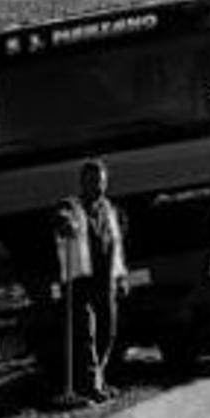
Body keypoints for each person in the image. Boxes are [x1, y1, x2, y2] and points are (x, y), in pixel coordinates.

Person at [53, 159, 128, 404]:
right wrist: (66, 223)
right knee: (87, 334)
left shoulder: (110, 209)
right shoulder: (72, 205)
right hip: (81, 281)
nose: (97, 185)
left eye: (101, 180)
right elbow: (61, 214)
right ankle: (90, 387)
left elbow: (117, 245)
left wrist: (122, 276)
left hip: (106, 281)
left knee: (108, 332)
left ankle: (99, 380)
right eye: (92, 180)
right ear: (82, 182)